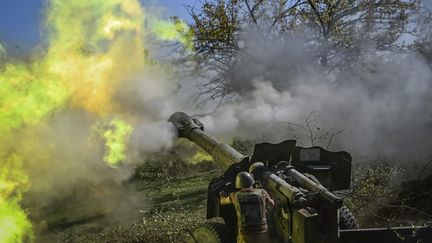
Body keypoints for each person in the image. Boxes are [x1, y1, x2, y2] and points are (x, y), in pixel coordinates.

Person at [220, 171, 274, 243]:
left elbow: (223, 202)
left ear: (239, 184)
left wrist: (222, 196)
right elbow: (271, 204)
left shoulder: (235, 195)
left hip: (245, 232)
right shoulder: (262, 192)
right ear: (252, 182)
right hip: (262, 230)